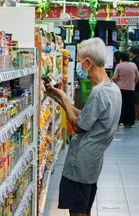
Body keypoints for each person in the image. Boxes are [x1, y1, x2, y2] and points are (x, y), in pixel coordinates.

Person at [44, 38, 122, 216]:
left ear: (88, 62)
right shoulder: (113, 89)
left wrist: (64, 98)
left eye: (79, 62)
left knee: (77, 213)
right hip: (93, 163)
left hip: (81, 164)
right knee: (84, 210)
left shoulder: (98, 92)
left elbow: (78, 126)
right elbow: (87, 117)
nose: (78, 66)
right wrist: (58, 97)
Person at [112, 52, 139, 127]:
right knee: (130, 106)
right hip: (131, 88)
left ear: (121, 58)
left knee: (121, 105)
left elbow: (115, 77)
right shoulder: (133, 65)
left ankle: (121, 122)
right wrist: (133, 84)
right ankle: (130, 122)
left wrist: (110, 79)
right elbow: (137, 76)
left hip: (120, 89)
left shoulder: (119, 66)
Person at [129, 46, 139, 123]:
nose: (129, 53)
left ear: (132, 52)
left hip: (137, 84)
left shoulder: (135, 61)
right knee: (138, 102)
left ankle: (137, 117)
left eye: (130, 52)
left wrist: (134, 83)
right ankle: (138, 117)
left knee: (137, 102)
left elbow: (135, 74)